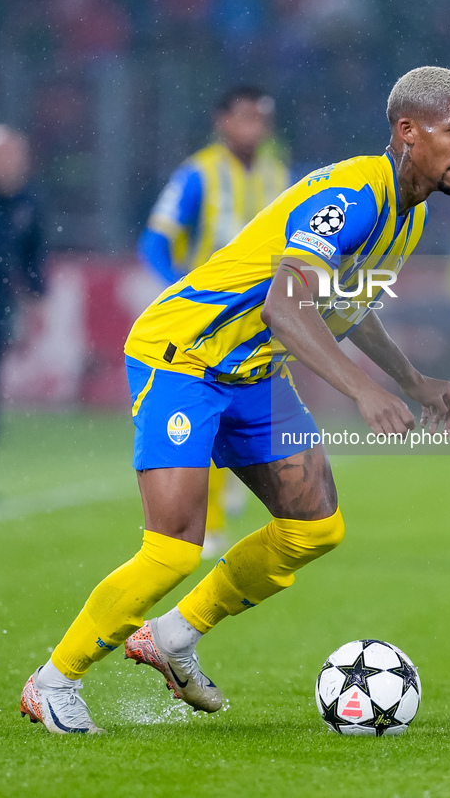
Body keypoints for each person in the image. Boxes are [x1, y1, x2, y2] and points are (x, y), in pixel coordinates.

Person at [20, 66, 450, 734]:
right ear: (407, 132)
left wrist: (410, 379)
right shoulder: (351, 194)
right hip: (185, 354)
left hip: (253, 371)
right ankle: (53, 679)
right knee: (173, 547)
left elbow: (344, 303)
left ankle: (172, 636)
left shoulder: (408, 214)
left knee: (314, 527)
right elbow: (285, 307)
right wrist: (360, 389)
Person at [138, 85, 290, 557]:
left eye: (262, 118)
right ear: (222, 121)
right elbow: (154, 241)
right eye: (245, 117)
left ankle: (240, 503)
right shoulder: (197, 175)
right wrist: (179, 288)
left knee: (253, 413)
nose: (254, 127)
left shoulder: (277, 174)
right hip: (204, 323)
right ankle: (211, 525)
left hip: (262, 320)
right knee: (207, 413)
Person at [0, 125, 45, 502]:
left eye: (18, 157)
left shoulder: (27, 202)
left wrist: (37, 302)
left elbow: (33, 258)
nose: (14, 165)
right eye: (5, 157)